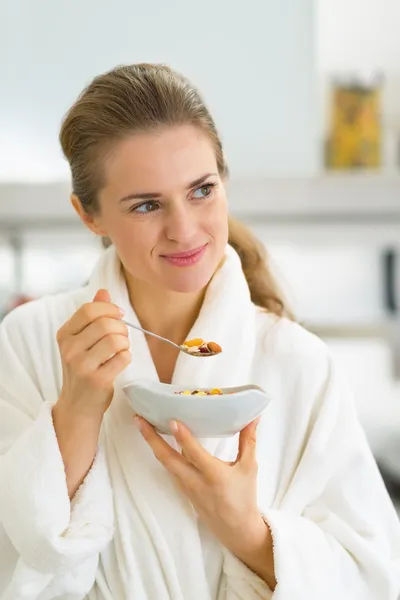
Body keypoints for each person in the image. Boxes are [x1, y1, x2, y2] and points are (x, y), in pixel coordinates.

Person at [0, 64, 399, 600]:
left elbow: (375, 577)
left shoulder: (298, 362)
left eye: (202, 190)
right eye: (146, 204)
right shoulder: (31, 342)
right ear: (88, 215)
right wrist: (75, 411)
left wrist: (251, 534)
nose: (184, 229)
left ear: (224, 180)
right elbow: (14, 560)